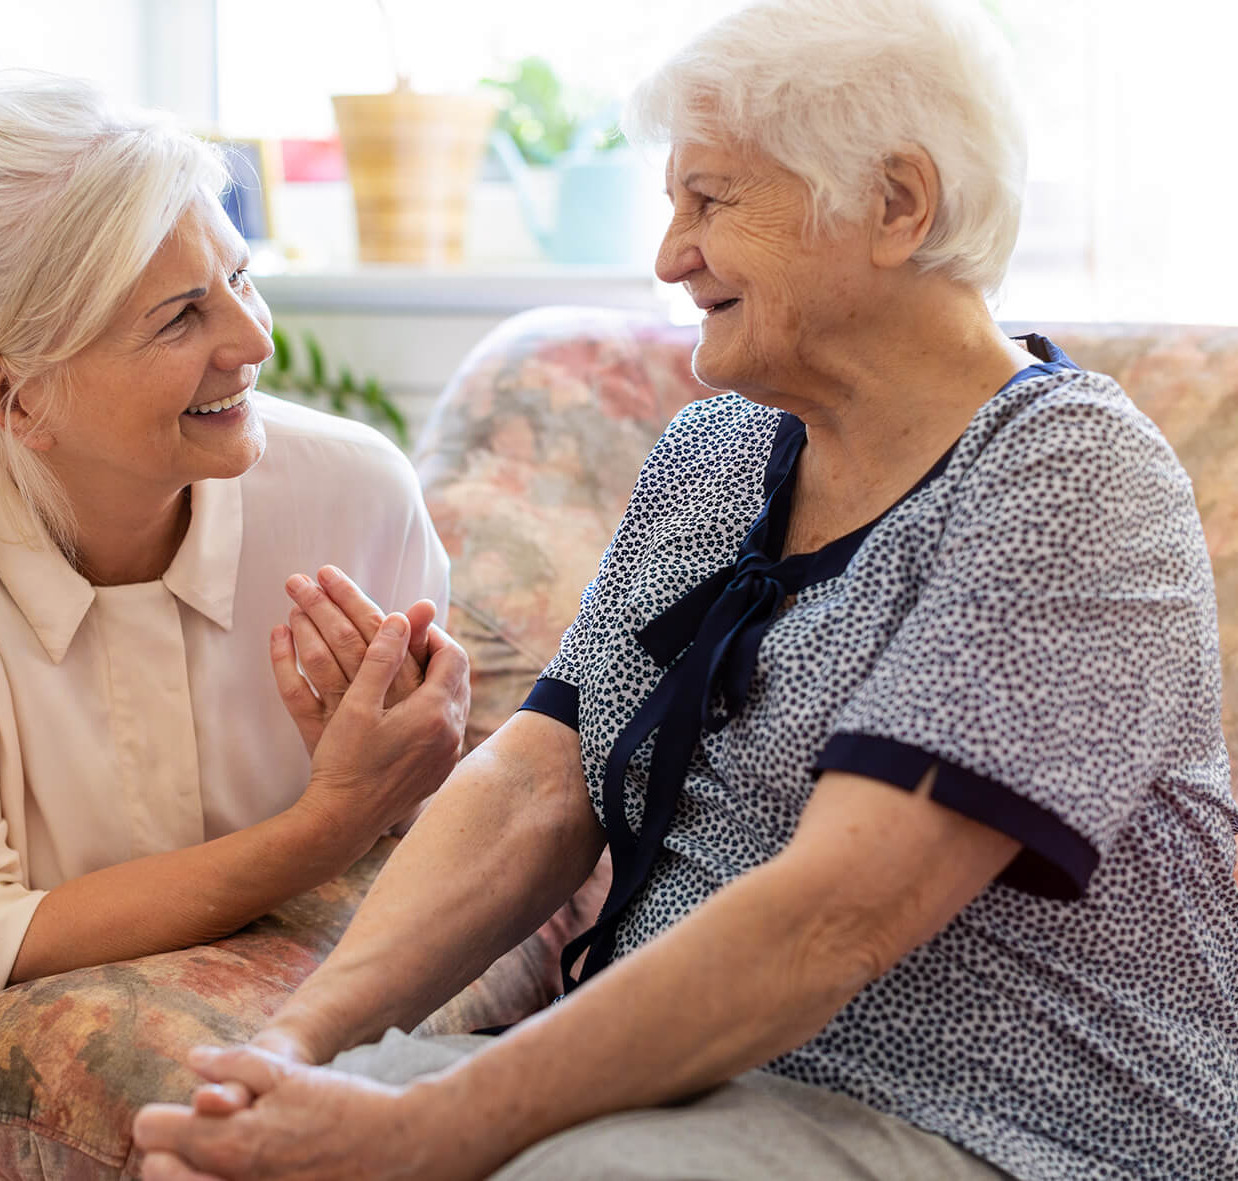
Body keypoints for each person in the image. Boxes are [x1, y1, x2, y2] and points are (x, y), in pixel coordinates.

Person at [130, 1, 1238, 1178]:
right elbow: (536, 783)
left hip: (1000, 1121)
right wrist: (300, 1045)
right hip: (685, 1085)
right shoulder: (716, 454)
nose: (668, 254)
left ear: (896, 204)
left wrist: (438, 1126)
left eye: (709, 200)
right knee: (217, 1156)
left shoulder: (1069, 480)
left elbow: (839, 911)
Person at [0, 62, 467, 1180]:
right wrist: (328, 821)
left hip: (238, 991)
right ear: (12, 397)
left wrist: (413, 773)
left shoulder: (350, 492)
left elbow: (443, 821)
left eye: (240, 278)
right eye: (181, 316)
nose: (253, 342)